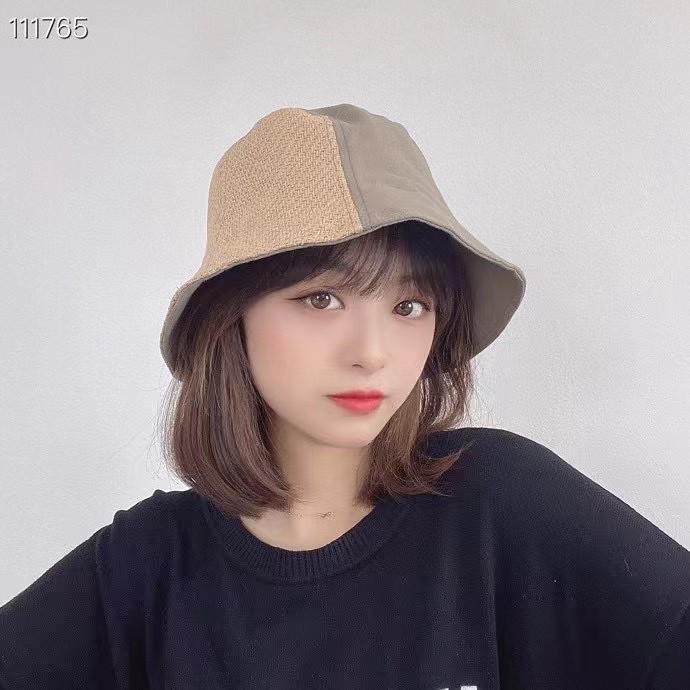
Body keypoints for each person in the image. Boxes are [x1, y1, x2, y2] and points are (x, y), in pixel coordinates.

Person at [1, 103, 688, 689]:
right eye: (322, 299)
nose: (372, 352)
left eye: (410, 305)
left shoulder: (501, 505)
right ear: (231, 317)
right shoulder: (149, 565)